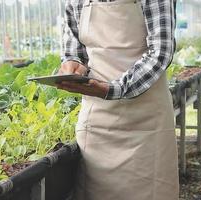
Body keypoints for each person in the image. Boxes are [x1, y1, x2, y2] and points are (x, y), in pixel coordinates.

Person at [57, 0, 178, 199]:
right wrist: (72, 64)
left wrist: (113, 89)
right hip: (98, 121)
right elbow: (75, 52)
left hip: (146, 121)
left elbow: (160, 52)